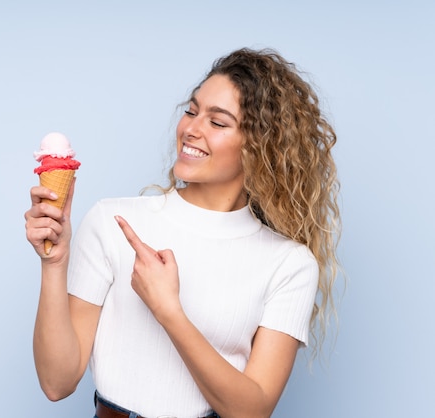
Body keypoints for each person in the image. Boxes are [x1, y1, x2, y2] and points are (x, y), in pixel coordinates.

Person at [24, 47, 341, 418]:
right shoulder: (111, 221)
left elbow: (252, 410)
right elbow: (56, 383)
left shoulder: (289, 264)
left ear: (259, 148)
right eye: (192, 111)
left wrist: (168, 309)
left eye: (217, 122)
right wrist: (54, 263)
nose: (191, 128)